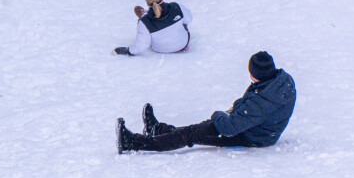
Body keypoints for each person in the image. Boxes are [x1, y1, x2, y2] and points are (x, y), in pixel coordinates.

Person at [116, 51, 296, 153]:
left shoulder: (262, 100)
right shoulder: (280, 82)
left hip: (251, 137)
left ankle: (133, 142)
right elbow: (254, 103)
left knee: (193, 134)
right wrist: (240, 107)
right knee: (197, 130)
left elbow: (229, 128)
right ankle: (158, 130)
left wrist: (218, 115)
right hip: (257, 129)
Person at [113, 0, 192, 56]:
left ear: (147, 4)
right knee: (182, 21)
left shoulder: (144, 22)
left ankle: (145, 14)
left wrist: (128, 50)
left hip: (160, 49)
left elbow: (141, 47)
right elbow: (189, 19)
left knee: (147, 29)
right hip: (183, 44)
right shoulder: (176, 6)